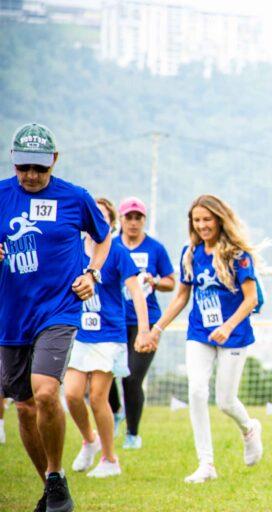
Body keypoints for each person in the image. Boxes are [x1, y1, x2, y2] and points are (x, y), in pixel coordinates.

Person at [0, 123, 111, 512]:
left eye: (40, 169)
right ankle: (52, 483)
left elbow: (103, 236)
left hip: (59, 309)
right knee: (26, 407)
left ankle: (55, 476)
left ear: (54, 162)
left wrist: (91, 274)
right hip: (11, 315)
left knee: (47, 391)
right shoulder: (0, 195)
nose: (31, 176)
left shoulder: (74, 198)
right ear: (14, 162)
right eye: (24, 168)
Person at [149, 194, 266, 483]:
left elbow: (250, 299)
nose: (202, 225)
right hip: (199, 331)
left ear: (219, 219)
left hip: (234, 333)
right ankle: (207, 464)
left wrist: (227, 326)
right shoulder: (190, 254)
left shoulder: (238, 256)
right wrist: (157, 328)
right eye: (196, 220)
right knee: (197, 390)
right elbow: (181, 297)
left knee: (225, 401)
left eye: (207, 219)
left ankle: (249, 428)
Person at [63, 198, 151, 478]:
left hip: (109, 335)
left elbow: (136, 292)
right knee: (73, 394)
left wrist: (145, 330)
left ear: (110, 223)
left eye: (102, 216)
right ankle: (89, 440)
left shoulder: (118, 252)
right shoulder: (73, 249)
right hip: (80, 333)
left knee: (99, 397)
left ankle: (110, 459)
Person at [109, 196, 175, 449]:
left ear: (144, 220)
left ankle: (132, 434)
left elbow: (172, 282)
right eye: (129, 217)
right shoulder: (111, 247)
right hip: (113, 320)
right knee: (105, 373)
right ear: (121, 220)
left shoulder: (155, 249)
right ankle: (115, 411)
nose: (134, 222)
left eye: (138, 218)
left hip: (145, 321)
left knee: (132, 378)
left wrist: (156, 281)